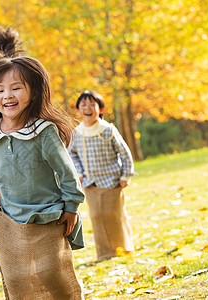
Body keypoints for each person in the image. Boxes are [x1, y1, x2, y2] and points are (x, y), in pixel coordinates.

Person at [0, 27, 84, 299]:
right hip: (10, 217)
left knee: (51, 270)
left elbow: (66, 171)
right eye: (0, 90)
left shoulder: (43, 131)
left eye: (16, 88)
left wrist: (71, 206)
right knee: (17, 276)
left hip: (49, 213)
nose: (7, 95)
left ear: (33, 92)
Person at [68, 90, 135, 262]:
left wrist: (125, 175)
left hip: (112, 180)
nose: (87, 109)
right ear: (78, 110)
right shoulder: (77, 133)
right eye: (83, 105)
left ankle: (122, 248)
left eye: (92, 105)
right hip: (90, 182)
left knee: (113, 215)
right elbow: (72, 155)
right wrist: (80, 173)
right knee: (97, 217)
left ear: (101, 108)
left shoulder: (108, 130)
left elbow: (125, 153)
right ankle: (104, 253)